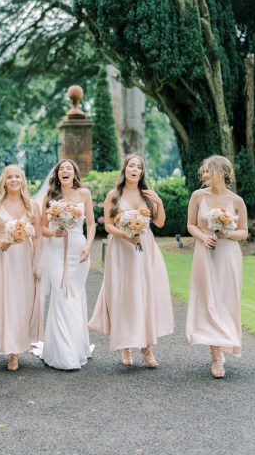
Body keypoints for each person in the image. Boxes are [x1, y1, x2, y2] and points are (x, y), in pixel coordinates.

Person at [89, 153, 174, 367]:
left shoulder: (148, 195)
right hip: (121, 248)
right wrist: (125, 235)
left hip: (145, 249)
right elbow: (108, 225)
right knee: (123, 295)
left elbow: (161, 223)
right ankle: (125, 347)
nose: (134, 169)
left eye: (138, 167)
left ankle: (147, 348)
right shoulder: (113, 195)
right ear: (125, 169)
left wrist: (159, 202)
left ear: (142, 172)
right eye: (131, 166)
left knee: (145, 294)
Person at [185, 155, 248, 378]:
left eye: (207, 171)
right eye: (203, 172)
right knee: (208, 298)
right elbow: (191, 225)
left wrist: (227, 233)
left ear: (220, 173)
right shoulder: (198, 196)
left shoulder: (237, 201)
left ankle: (223, 343)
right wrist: (204, 237)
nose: (203, 175)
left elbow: (244, 232)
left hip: (228, 255)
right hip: (205, 252)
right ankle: (216, 355)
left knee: (226, 299)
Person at [0, 165, 42, 370]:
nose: (14, 180)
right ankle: (5, 343)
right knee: (3, 300)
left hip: (23, 258)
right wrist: (0, 242)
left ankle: (15, 351)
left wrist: (37, 262)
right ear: (4, 182)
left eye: (18, 176)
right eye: (10, 177)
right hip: (0, 257)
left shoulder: (32, 205)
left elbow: (38, 237)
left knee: (21, 301)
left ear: (23, 180)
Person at [39, 159, 96, 370]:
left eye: (68, 168)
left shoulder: (84, 194)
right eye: (61, 169)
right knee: (62, 294)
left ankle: (77, 346)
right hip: (55, 250)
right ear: (57, 174)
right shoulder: (50, 197)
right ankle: (64, 354)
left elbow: (90, 225)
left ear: (74, 173)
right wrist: (54, 232)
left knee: (76, 294)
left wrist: (88, 247)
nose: (65, 171)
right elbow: (42, 228)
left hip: (78, 250)